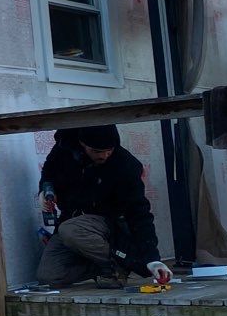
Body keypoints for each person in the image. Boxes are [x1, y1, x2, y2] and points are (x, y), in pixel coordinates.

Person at [36, 124, 173, 289]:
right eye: (98, 151)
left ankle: (123, 261)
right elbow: (49, 172)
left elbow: (139, 213)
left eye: (109, 150)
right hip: (71, 219)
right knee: (49, 275)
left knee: (70, 230)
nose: (105, 155)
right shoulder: (64, 150)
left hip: (107, 225)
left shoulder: (126, 165)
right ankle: (111, 267)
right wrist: (44, 190)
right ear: (82, 144)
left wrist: (152, 258)